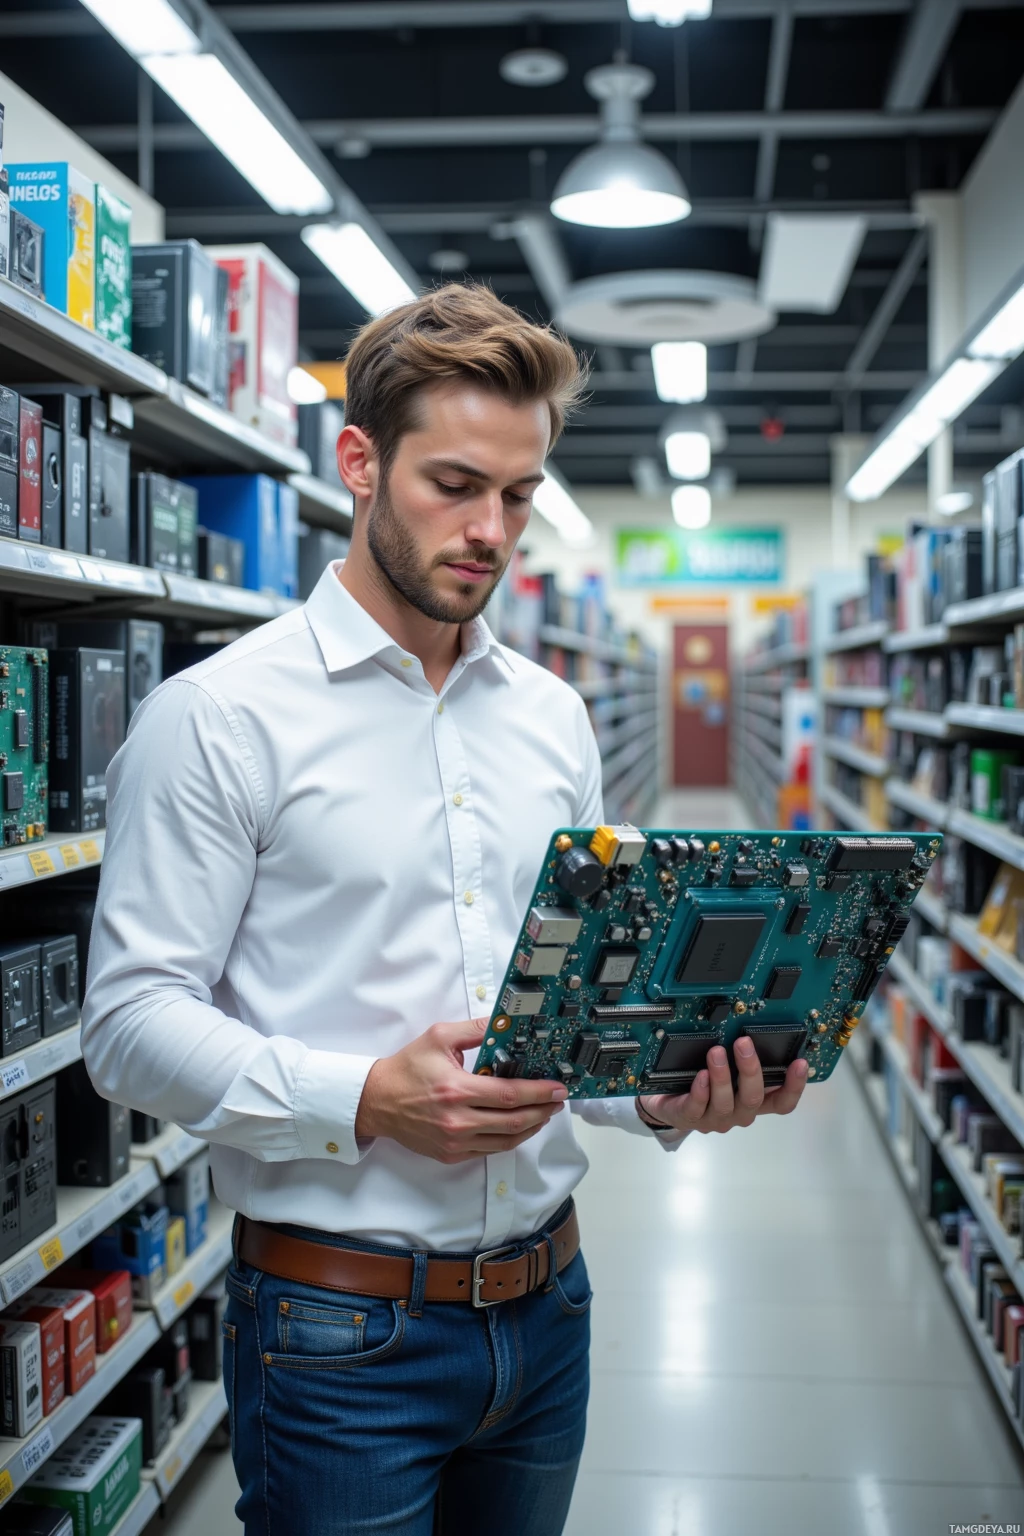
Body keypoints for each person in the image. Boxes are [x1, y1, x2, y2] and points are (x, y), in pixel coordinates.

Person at [82, 284, 808, 1536]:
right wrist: (366, 1096)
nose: (491, 530)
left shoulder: (552, 718)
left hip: (550, 1311)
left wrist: (660, 1088)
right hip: (334, 1334)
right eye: (456, 484)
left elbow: (568, 1017)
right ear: (358, 463)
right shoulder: (220, 717)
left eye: (520, 496)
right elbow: (128, 1025)